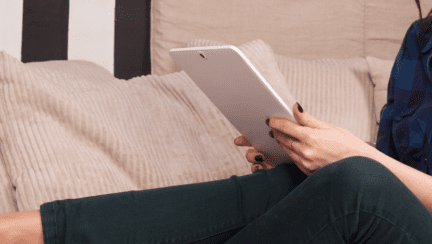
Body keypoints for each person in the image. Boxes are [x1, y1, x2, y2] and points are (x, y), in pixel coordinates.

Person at [2, 2, 432, 243]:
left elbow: (378, 179)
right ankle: (28, 231)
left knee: (357, 183)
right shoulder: (420, 39)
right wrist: (306, 157)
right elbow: (399, 178)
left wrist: (355, 157)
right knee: (296, 183)